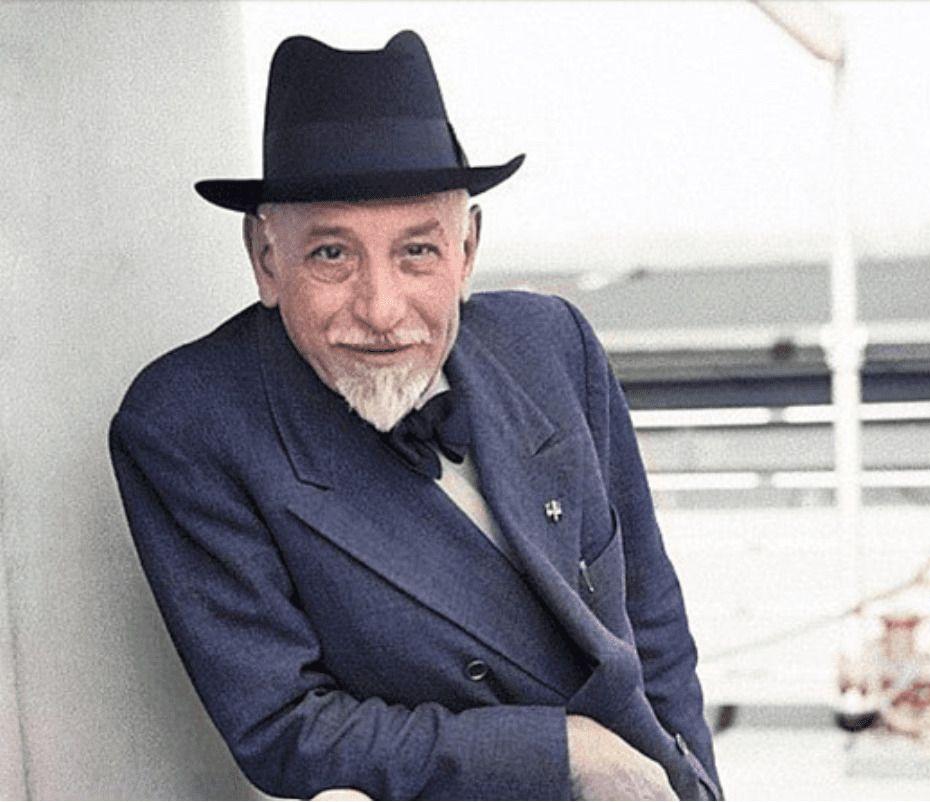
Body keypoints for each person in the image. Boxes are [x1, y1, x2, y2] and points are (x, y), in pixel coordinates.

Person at [109, 31, 722, 801]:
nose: (380, 309)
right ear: (266, 259)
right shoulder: (186, 424)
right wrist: (564, 750)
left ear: (467, 251)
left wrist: (697, 785)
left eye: (417, 252)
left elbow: (652, 620)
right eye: (332, 254)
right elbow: (285, 728)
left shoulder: (552, 344)